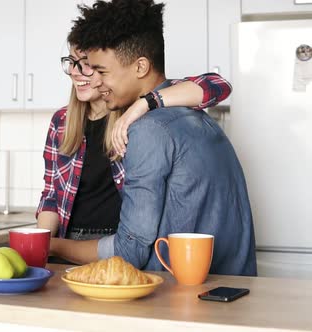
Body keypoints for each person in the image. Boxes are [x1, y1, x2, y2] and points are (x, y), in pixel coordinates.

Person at [48, 0, 257, 276]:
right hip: (229, 287)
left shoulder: (147, 129)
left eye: (101, 71)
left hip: (176, 297)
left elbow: (130, 250)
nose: (94, 82)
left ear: (140, 66)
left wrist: (54, 247)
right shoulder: (197, 116)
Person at [37, 45, 232, 245]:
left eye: (86, 63)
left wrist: (144, 104)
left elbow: (217, 85)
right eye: (71, 62)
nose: (75, 72)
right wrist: (42, 244)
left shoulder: (140, 114)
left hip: (118, 244)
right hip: (67, 243)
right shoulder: (61, 121)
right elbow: (51, 194)